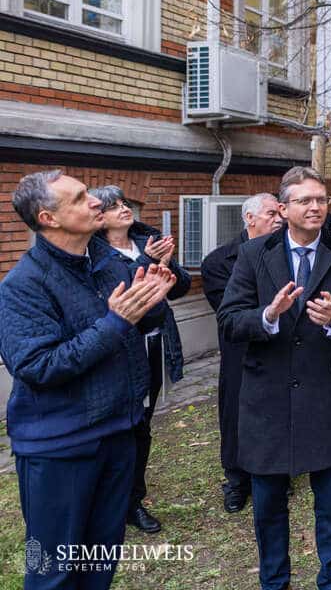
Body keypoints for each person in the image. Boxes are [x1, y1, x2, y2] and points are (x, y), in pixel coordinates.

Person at [0, 171, 176, 589]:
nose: (96, 201)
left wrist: (151, 303)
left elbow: (133, 326)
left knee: (100, 561)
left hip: (117, 434)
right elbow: (38, 366)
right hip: (61, 449)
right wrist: (117, 322)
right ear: (49, 218)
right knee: (54, 572)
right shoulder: (22, 286)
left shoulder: (106, 264)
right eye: (80, 198)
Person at [218, 167, 331, 590]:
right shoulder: (254, 254)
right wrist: (268, 315)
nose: (315, 207)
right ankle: (275, 582)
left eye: (320, 199)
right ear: (283, 208)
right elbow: (230, 319)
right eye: (305, 200)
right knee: (269, 503)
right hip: (267, 399)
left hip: (326, 397)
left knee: (330, 502)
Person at [89, 185, 190, 535]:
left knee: (143, 425)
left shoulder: (146, 240)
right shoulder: (94, 253)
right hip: (119, 350)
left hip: (155, 344)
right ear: (99, 218)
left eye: (124, 203)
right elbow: (119, 293)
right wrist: (148, 262)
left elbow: (179, 288)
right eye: (113, 206)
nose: (124, 209)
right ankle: (108, 500)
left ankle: (133, 500)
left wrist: (165, 262)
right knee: (120, 427)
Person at [200, 192, 282, 513]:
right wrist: (270, 309)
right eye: (271, 213)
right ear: (250, 218)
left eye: (281, 212)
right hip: (241, 352)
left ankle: (275, 472)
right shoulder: (218, 262)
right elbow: (231, 312)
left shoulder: (287, 254)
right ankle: (237, 480)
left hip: (279, 347)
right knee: (235, 414)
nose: (279, 219)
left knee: (276, 412)